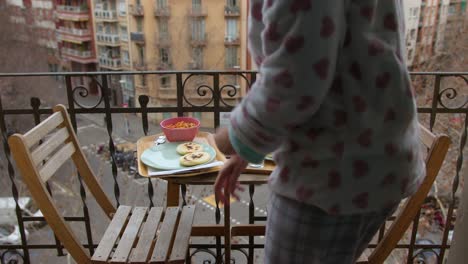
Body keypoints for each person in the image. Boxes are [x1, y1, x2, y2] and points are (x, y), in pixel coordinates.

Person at [213, 0, 426, 263]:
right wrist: (246, 151)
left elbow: (293, 81)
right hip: (367, 159)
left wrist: (229, 138)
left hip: (332, 173)